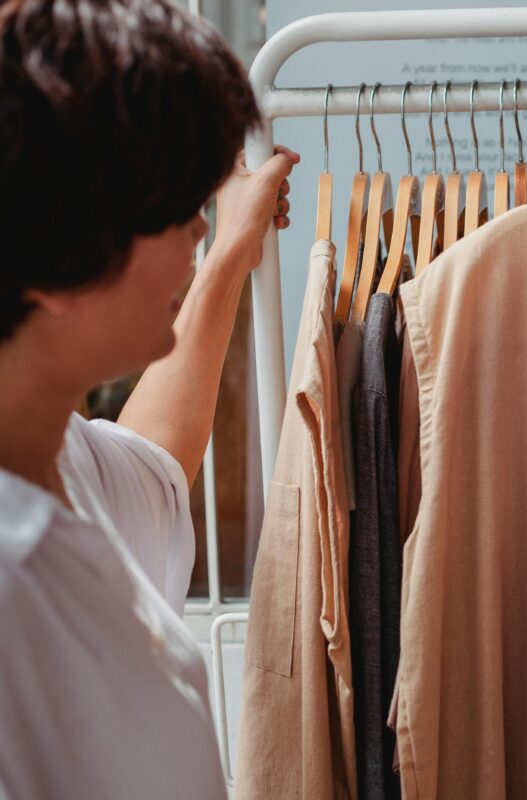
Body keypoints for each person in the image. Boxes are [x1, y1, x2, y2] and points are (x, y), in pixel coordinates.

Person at [0, 0, 297, 796]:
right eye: (173, 212)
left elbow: (158, 464)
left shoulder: (54, 454)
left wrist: (231, 252)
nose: (195, 233)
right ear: (60, 247)